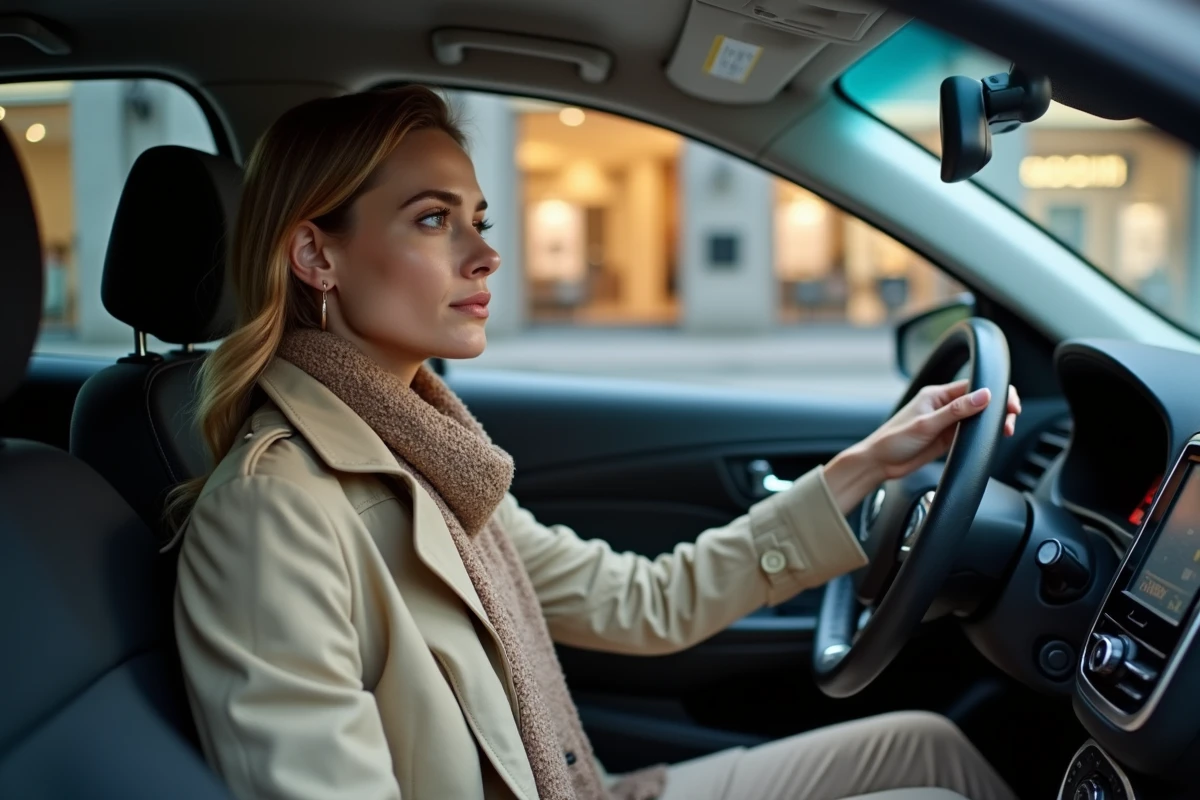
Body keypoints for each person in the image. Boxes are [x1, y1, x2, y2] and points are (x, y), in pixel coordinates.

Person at [171, 86, 1022, 800]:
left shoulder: (428, 458)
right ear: (317, 256)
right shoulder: (271, 514)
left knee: (926, 748)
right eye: (433, 220)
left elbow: (643, 602)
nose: (486, 255)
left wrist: (865, 467)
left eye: (479, 219)